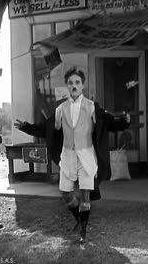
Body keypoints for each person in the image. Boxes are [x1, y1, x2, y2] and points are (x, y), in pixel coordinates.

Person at [15, 67, 130, 243]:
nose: (74, 85)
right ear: (67, 86)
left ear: (82, 85)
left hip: (86, 154)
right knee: (66, 193)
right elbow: (46, 128)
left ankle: (83, 231)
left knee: (85, 193)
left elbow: (109, 124)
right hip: (68, 155)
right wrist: (26, 127)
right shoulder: (61, 109)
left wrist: (124, 122)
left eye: (77, 82)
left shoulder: (92, 107)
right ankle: (79, 219)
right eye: (70, 83)